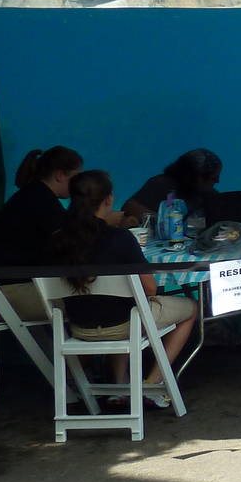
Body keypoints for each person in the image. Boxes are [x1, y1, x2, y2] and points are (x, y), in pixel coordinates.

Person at [49, 169, 196, 403]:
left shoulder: (57, 239)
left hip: (79, 327)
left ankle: (119, 387)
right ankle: (153, 383)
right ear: (108, 199)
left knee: (120, 307)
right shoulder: (120, 238)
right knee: (190, 308)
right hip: (124, 325)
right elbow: (150, 289)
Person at [0, 145, 86, 322]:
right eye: (76, 177)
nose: (79, 185)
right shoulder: (42, 202)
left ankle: (70, 347)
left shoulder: (34, 195)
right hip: (13, 293)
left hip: (5, 288)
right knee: (97, 299)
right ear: (60, 175)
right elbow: (70, 241)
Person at [122, 148, 224, 228]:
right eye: (214, 177)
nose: (217, 181)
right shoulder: (161, 184)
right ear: (197, 177)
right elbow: (129, 207)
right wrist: (163, 221)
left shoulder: (208, 193)